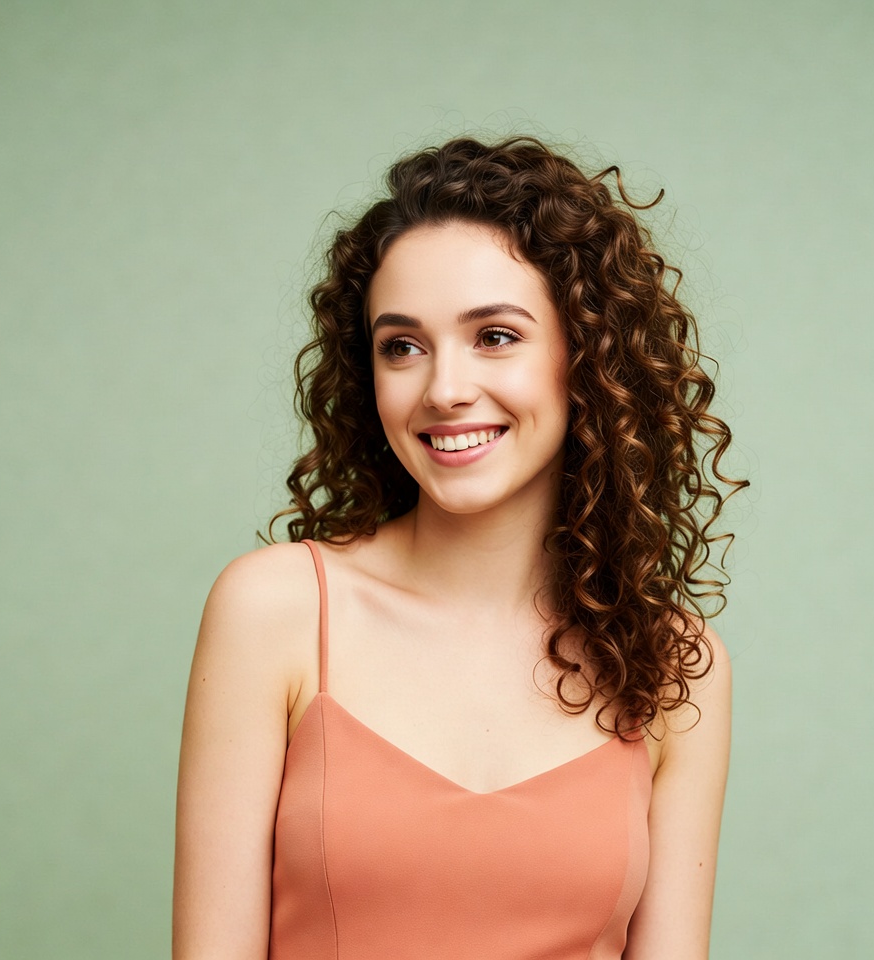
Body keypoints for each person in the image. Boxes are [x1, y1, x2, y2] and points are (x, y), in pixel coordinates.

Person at [172, 136, 746, 959]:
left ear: (586, 356)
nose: (444, 389)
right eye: (402, 346)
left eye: (496, 336)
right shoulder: (275, 611)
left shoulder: (674, 664)